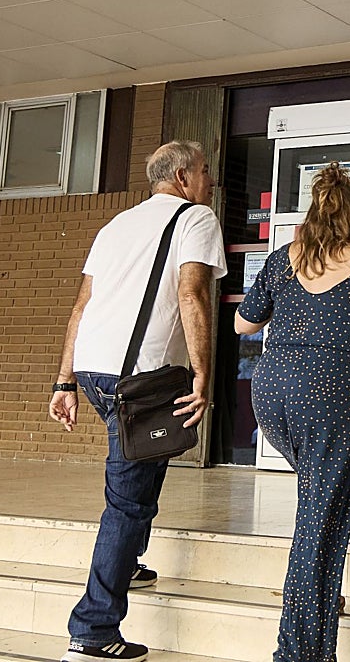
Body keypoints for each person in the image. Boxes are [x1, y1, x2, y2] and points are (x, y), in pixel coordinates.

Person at [234, 163, 350, 662]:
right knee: (321, 521)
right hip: (331, 394)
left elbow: (242, 324)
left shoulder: (284, 257)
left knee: (317, 499)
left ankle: (319, 598)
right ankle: (298, 651)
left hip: (273, 395)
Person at [48, 140, 226, 662]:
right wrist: (203, 374)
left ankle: (127, 563)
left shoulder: (116, 225)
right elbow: (192, 294)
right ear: (183, 177)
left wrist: (64, 382)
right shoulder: (196, 218)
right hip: (140, 378)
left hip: (95, 370)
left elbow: (82, 305)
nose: (211, 180)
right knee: (126, 502)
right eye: (205, 171)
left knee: (145, 460)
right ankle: (93, 630)